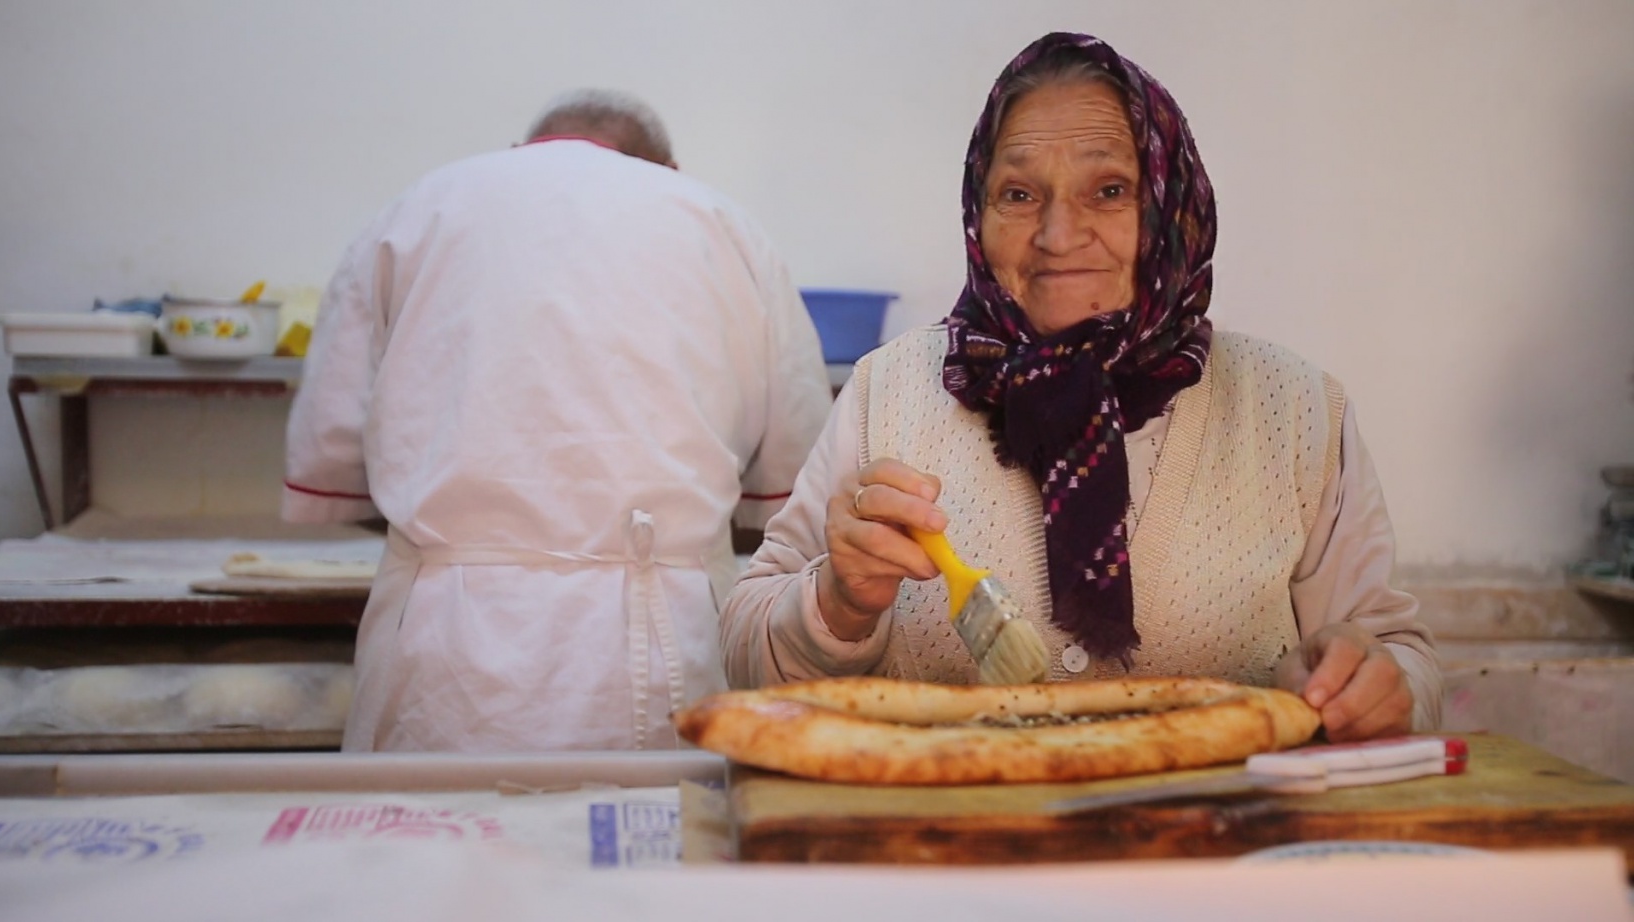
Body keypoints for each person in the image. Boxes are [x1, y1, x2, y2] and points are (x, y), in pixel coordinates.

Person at [721, 33, 1440, 742]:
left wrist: (1377, 684)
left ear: (1172, 203)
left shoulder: (1295, 410)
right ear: (978, 212)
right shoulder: (889, 393)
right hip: (950, 818)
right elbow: (747, 656)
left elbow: (1398, 660)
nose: (1059, 235)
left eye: (1109, 191)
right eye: (1019, 194)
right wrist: (839, 603)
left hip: (1222, 822)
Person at [283, 89, 833, 752]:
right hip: (666, 634)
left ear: (520, 152)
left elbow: (333, 452)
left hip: (446, 644)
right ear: (668, 169)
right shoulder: (719, 222)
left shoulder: (418, 210)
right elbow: (796, 486)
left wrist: (475, 538)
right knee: (661, 819)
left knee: (437, 818)